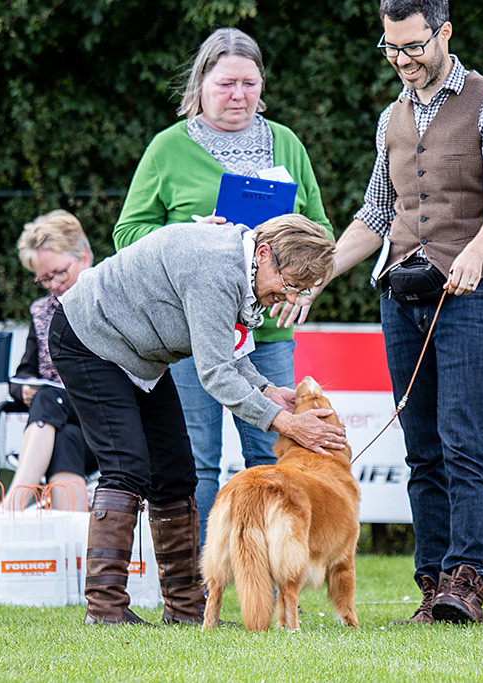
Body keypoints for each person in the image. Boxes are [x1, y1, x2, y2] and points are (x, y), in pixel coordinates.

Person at [283, 0, 483, 625]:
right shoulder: (390, 117)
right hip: (401, 298)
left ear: (443, 34)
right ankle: (432, 585)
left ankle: (467, 583)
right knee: (422, 449)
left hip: (472, 298)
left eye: (414, 46)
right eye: (391, 48)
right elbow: (375, 214)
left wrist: (474, 254)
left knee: (465, 443)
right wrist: (316, 277)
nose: (402, 61)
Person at [50, 213, 344, 627]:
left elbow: (226, 349)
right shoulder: (217, 271)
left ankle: (186, 607)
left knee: (175, 471)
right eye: (289, 284)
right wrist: (285, 422)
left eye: (299, 290)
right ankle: (104, 609)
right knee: (126, 467)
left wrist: (265, 390)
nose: (288, 296)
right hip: (89, 340)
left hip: (138, 357)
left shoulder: (242, 269)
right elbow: (215, 373)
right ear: (263, 254)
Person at [112, 27, 331, 546]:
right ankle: (198, 584)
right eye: (226, 83)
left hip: (269, 333)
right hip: (193, 330)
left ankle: (276, 583)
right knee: (198, 459)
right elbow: (127, 234)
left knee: (271, 453)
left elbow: (319, 233)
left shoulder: (287, 143)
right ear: (201, 82)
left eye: (250, 84)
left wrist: (305, 289)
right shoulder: (168, 148)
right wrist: (190, 235)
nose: (239, 96)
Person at [1, 210, 97, 512]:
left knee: (48, 399)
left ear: (84, 257)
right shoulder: (41, 310)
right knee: (64, 436)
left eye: (58, 273)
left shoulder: (108, 300)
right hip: (65, 428)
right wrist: (24, 390)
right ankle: (74, 548)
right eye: (43, 279)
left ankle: (13, 505)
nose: (53, 284)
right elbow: (20, 377)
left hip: (104, 420)